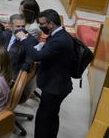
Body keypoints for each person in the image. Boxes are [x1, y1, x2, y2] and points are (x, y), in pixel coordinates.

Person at [15, 9, 75, 138]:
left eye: (42, 24)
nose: (40, 26)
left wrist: (23, 40)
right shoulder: (59, 34)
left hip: (55, 87)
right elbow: (46, 49)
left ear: (51, 24)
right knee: (51, 116)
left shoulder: (59, 40)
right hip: (56, 82)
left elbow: (36, 56)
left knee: (43, 120)